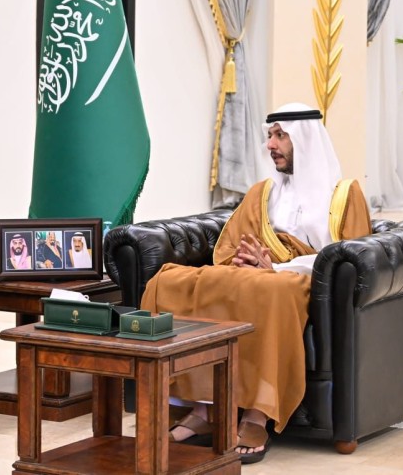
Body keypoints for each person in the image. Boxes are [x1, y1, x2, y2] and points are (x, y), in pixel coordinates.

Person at [140, 103, 371, 464]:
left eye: (280, 136)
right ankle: (203, 409)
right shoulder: (264, 192)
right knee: (171, 280)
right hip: (255, 276)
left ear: (304, 140)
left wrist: (277, 266)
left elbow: (348, 256)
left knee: (270, 289)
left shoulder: (343, 195)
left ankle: (256, 416)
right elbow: (229, 246)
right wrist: (245, 259)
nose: (271, 145)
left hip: (301, 282)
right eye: (270, 136)